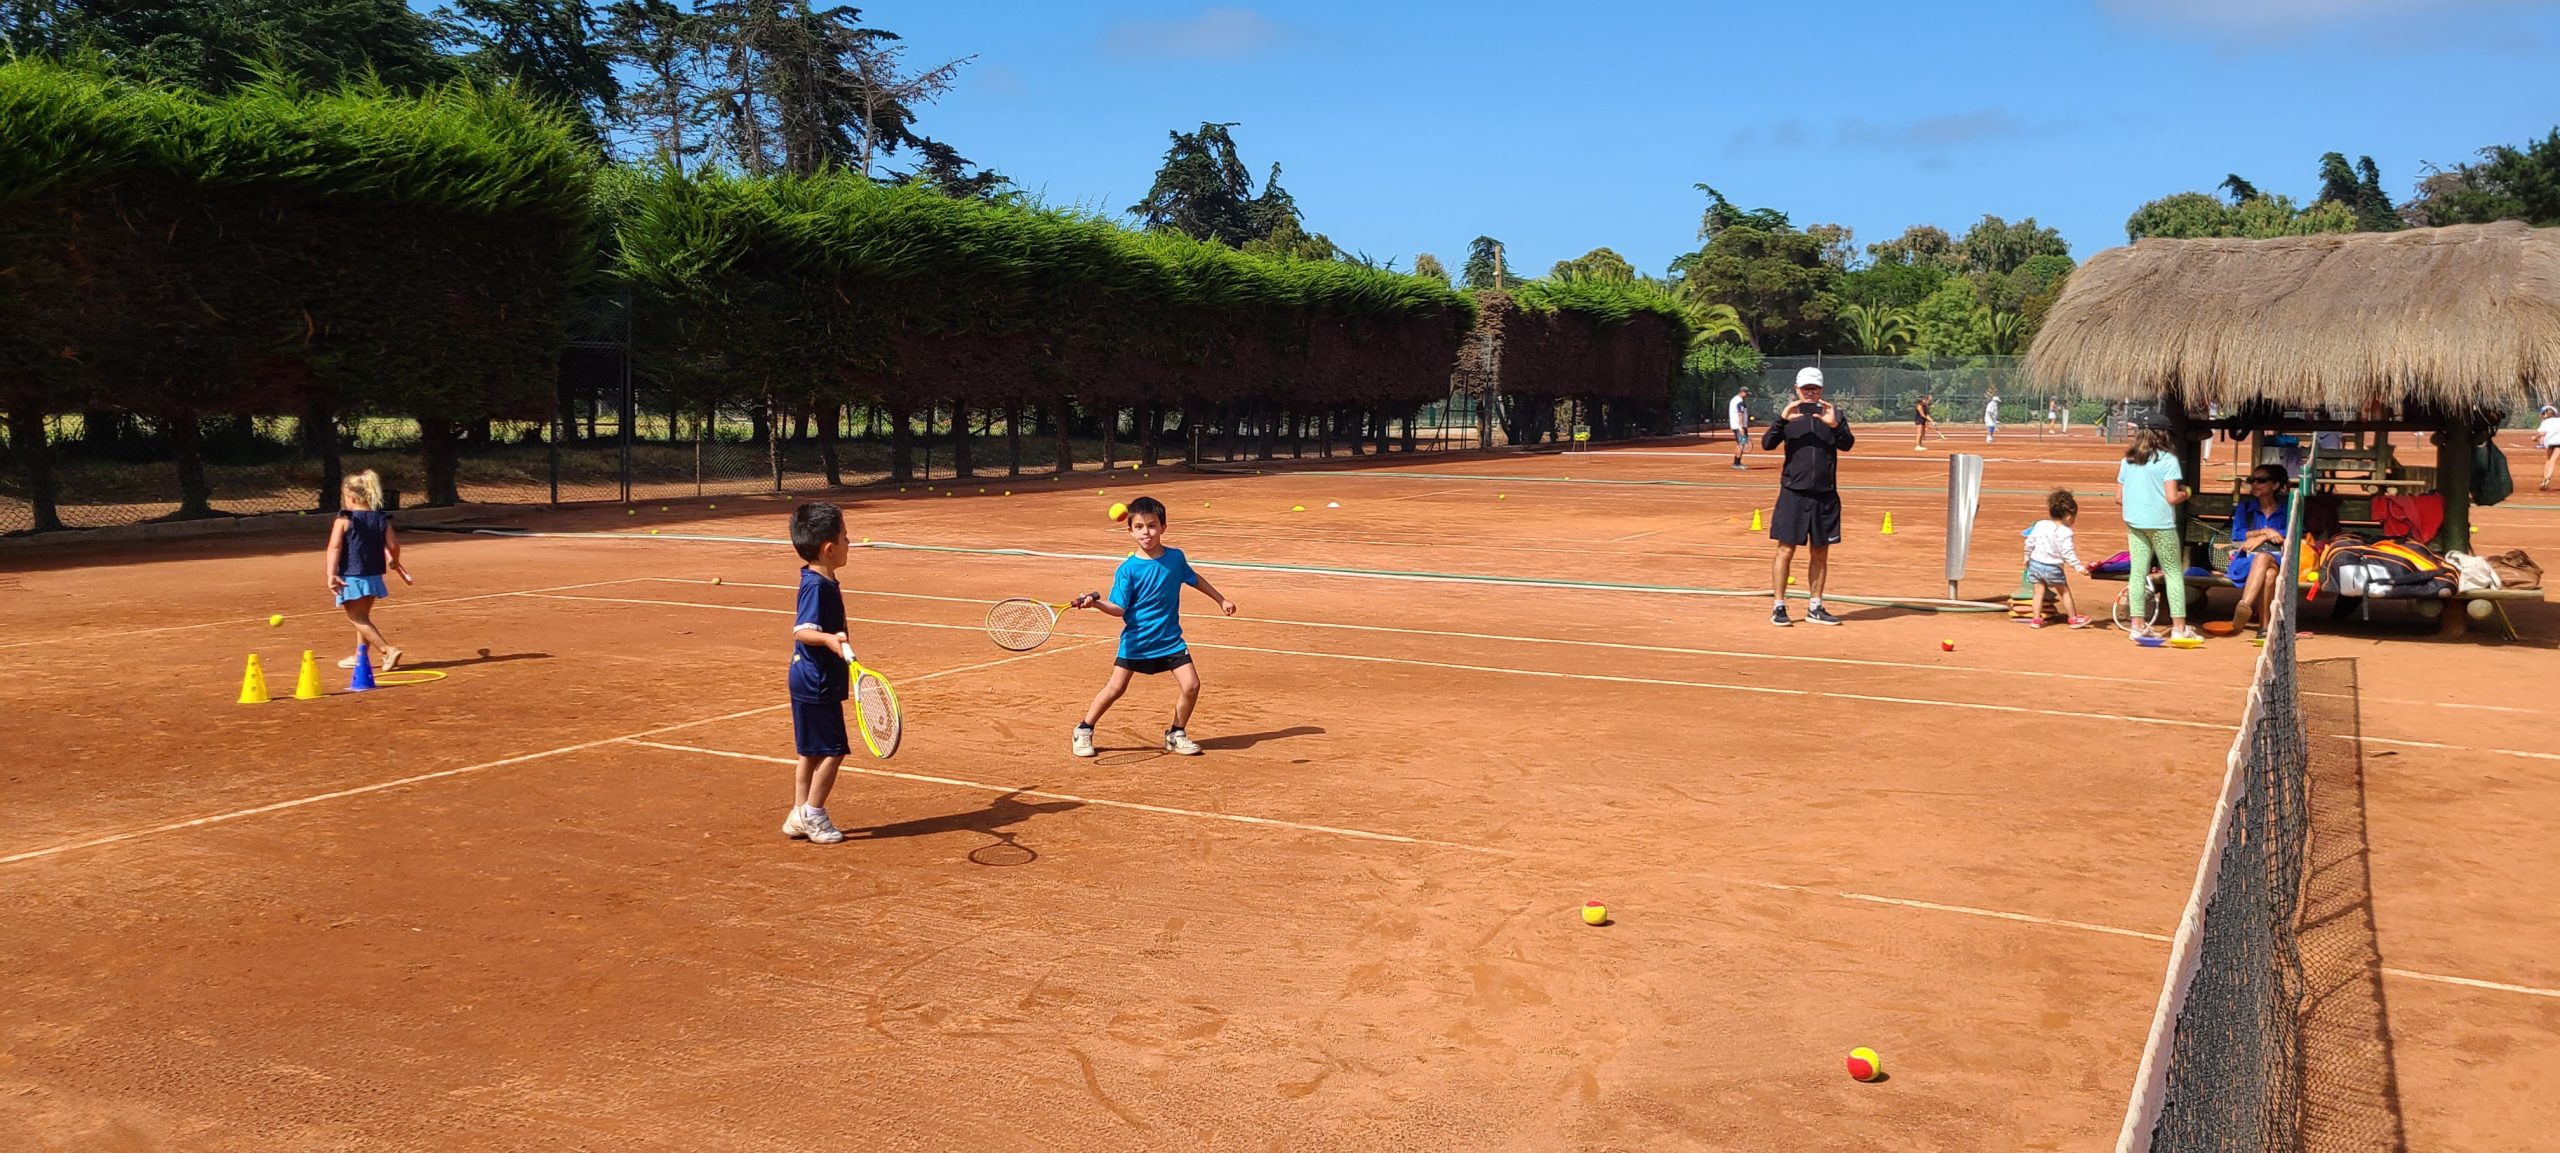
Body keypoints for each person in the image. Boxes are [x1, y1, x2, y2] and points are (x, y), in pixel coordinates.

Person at [1071, 496, 1238, 757]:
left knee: (1191, 686)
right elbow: (1119, 609)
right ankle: (1084, 729)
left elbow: (1194, 579)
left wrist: (1221, 599)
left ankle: (1176, 733)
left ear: (1163, 527)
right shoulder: (1128, 570)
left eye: (1151, 525)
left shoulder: (1175, 558)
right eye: (1139, 527)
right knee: (1116, 689)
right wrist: (1097, 604)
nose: (1146, 532)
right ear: (1130, 531)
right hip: (1137, 641)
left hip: (1170, 640)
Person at [783, 502, 856, 845]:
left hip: (807, 678)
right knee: (833, 750)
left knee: (809, 751)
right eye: (845, 536)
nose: (849, 541)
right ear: (829, 549)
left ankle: (798, 814)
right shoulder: (817, 586)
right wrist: (829, 639)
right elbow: (802, 630)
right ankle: (814, 812)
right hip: (817, 681)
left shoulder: (818, 579)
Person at [1762, 367, 1854, 627]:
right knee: (1785, 550)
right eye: (1805, 389)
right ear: (1797, 389)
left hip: (1825, 495)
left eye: (1814, 388)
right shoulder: (1789, 417)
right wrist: (1782, 420)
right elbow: (1768, 444)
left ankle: (1815, 606)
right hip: (1793, 493)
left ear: (1821, 390)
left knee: (1820, 552)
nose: (1810, 393)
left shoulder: (1834, 415)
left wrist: (1834, 425)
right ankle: (1778, 606)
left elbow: (1847, 444)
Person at [2117, 426, 2198, 644]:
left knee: (2138, 572)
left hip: (2135, 522)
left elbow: (2119, 497)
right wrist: (2187, 493)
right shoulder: (2168, 460)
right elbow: (2172, 497)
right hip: (2161, 524)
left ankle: (2137, 626)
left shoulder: (2128, 460)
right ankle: (2179, 628)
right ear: (2163, 435)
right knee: (2172, 571)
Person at [324, 469, 407, 672]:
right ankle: (360, 655)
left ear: (350, 497)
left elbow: (335, 547)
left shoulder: (344, 519)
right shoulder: (381, 518)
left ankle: (387, 650)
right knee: (364, 618)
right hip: (373, 576)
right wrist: (394, 561)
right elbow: (394, 546)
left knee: (356, 618)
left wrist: (331, 573)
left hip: (351, 576)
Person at [2227, 466, 2292, 634]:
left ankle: (2245, 605)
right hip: (2247, 561)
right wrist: (2264, 531)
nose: (2255, 484)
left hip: (2279, 558)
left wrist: (2263, 537)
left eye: (2261, 480)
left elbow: (2293, 531)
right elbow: (2237, 534)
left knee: (2264, 559)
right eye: (2252, 480)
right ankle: (2264, 627)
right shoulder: (2245, 506)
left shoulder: (2287, 508)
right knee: (2269, 573)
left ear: (2275, 485)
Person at [2023, 489, 2093, 629]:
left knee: (2038, 592)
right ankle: (2073, 618)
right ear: (2068, 516)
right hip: (2053, 568)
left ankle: (2036, 620)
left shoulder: (2041, 524)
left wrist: (2026, 556)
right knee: (2064, 591)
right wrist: (2078, 567)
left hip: (2035, 564)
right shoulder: (2066, 532)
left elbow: (2030, 541)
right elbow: (2068, 553)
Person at [1727, 385, 1751, 471]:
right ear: (1742, 392)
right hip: (1739, 426)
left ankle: (1737, 462)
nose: (1747, 395)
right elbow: (1740, 414)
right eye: (1746, 393)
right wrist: (1741, 427)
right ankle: (1736, 464)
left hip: (1736, 425)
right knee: (1741, 444)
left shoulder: (1734, 399)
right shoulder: (1739, 401)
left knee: (1740, 443)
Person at [2538, 404, 2560, 491]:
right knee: (2553, 460)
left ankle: (2545, 479)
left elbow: (2541, 433)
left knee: (2549, 460)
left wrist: (2535, 438)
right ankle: (2547, 479)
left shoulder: (2545, 422)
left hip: (2550, 443)